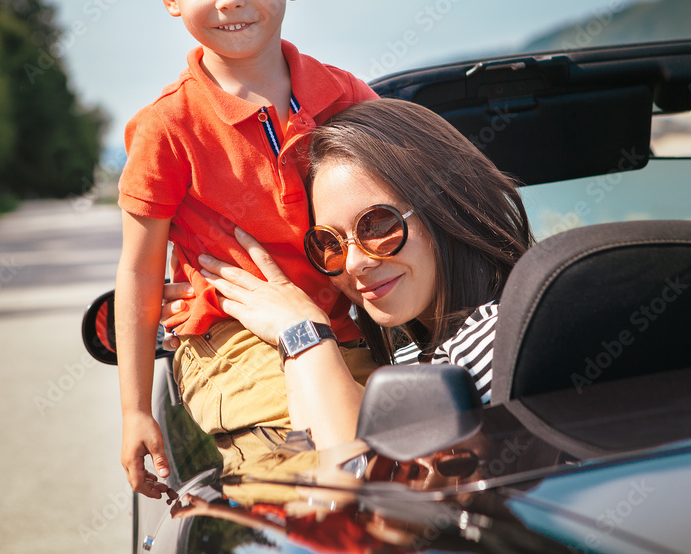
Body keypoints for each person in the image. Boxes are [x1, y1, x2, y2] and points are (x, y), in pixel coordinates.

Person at [114, 0, 378, 498]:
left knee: (404, 446)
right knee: (312, 476)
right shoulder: (168, 127)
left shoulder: (346, 97)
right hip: (235, 343)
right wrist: (133, 411)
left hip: (359, 325)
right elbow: (141, 271)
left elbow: (415, 206)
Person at [196, 98, 534, 449]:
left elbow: (347, 474)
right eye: (330, 242)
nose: (355, 262)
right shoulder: (410, 358)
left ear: (446, 205)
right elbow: (311, 451)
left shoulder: (500, 340)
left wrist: (301, 335)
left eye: (377, 224)